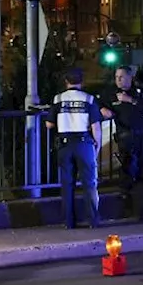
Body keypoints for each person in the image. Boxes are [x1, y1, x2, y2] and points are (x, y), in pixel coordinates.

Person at [45, 67, 104, 229]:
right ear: (82, 82)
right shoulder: (89, 100)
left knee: (67, 184)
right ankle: (93, 220)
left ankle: (69, 222)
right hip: (84, 143)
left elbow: (49, 124)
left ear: (66, 82)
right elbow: (96, 127)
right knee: (89, 183)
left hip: (65, 144)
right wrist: (97, 146)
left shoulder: (58, 99)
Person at [101, 66, 143, 219]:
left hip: (142, 136)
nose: (118, 79)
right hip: (126, 137)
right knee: (127, 170)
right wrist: (102, 110)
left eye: (122, 76)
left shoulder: (139, 92)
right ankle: (126, 208)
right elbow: (99, 104)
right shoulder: (110, 93)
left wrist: (130, 100)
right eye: (117, 76)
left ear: (130, 77)